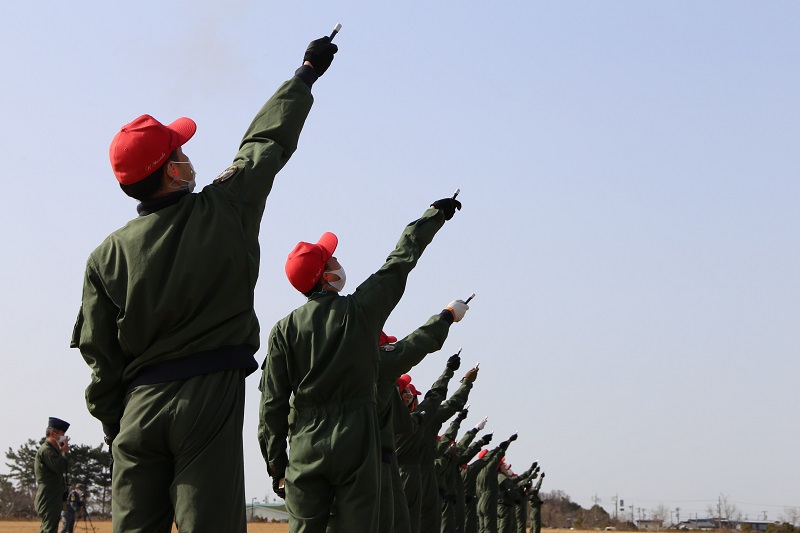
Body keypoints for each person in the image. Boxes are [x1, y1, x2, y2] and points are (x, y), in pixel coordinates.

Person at [70, 34, 338, 533]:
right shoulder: (225, 207)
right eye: (181, 153)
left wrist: (115, 423)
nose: (190, 158)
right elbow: (266, 143)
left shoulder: (103, 257)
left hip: (136, 410)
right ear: (171, 173)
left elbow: (98, 352)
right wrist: (304, 75)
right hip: (206, 396)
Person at [259, 195, 463, 532]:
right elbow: (398, 263)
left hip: (305, 447)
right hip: (357, 444)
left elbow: (272, 405)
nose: (337, 261)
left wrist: (276, 464)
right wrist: (432, 217)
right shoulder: (360, 312)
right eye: (331, 260)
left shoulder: (283, 331)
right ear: (325, 278)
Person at [34, 417, 70, 533]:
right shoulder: (47, 451)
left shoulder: (53, 450)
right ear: (52, 434)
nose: (64, 437)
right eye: (61, 434)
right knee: (49, 529)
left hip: (53, 495)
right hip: (48, 496)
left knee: (49, 528)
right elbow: (60, 468)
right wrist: (64, 452)